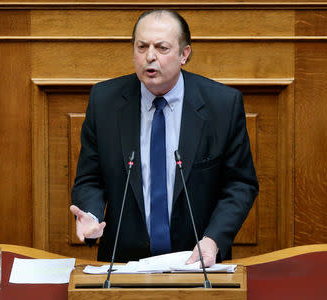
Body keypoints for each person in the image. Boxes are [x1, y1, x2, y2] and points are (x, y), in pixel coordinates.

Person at [70, 9, 258, 267]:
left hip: (196, 261)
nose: (150, 56)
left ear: (184, 54)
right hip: (124, 265)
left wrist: (213, 239)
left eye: (161, 48)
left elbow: (240, 184)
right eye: (142, 46)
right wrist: (90, 215)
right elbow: (90, 178)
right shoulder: (104, 102)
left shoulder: (222, 105)